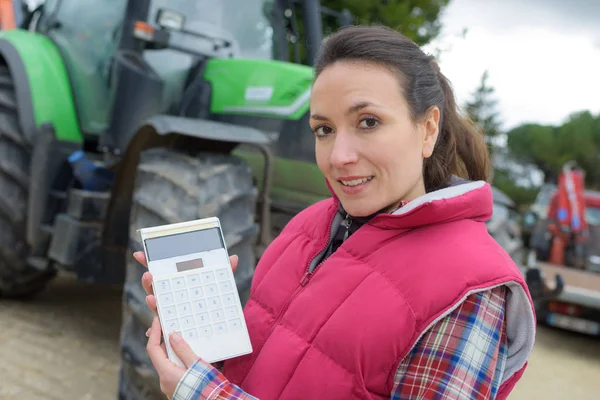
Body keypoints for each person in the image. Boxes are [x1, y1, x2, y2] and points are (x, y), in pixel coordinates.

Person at [136, 24, 536, 400]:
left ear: (428, 129)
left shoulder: (472, 292)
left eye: (368, 122)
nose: (339, 157)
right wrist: (204, 348)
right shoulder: (307, 225)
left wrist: (205, 393)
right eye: (324, 129)